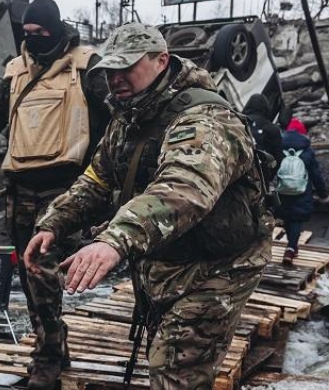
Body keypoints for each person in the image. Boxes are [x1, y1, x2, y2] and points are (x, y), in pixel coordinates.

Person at [25, 23, 271, 389]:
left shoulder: (204, 119)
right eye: (110, 70)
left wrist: (114, 240)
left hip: (216, 269)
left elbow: (185, 188)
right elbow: (98, 179)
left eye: (127, 67)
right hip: (165, 262)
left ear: (162, 61)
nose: (116, 79)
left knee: (174, 366)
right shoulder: (129, 119)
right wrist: (55, 222)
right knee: (166, 358)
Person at [0, 0, 110, 389]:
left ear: (57, 29)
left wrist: (106, 181)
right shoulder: (16, 70)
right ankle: (52, 344)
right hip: (19, 188)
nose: (33, 39)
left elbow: (111, 122)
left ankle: (49, 356)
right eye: (28, 33)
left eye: (41, 33)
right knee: (30, 271)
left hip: (63, 187)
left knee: (43, 273)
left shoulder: (87, 65)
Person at [276, 118, 329, 264]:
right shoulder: (307, 151)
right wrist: (323, 193)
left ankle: (292, 246)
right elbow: (316, 175)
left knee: (287, 217)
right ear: (302, 133)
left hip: (282, 190)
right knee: (296, 218)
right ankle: (291, 248)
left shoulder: (279, 148)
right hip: (301, 191)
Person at [242, 93, 283, 181]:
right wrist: (269, 176)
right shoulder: (272, 129)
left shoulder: (239, 124)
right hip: (262, 177)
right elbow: (278, 158)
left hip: (241, 178)